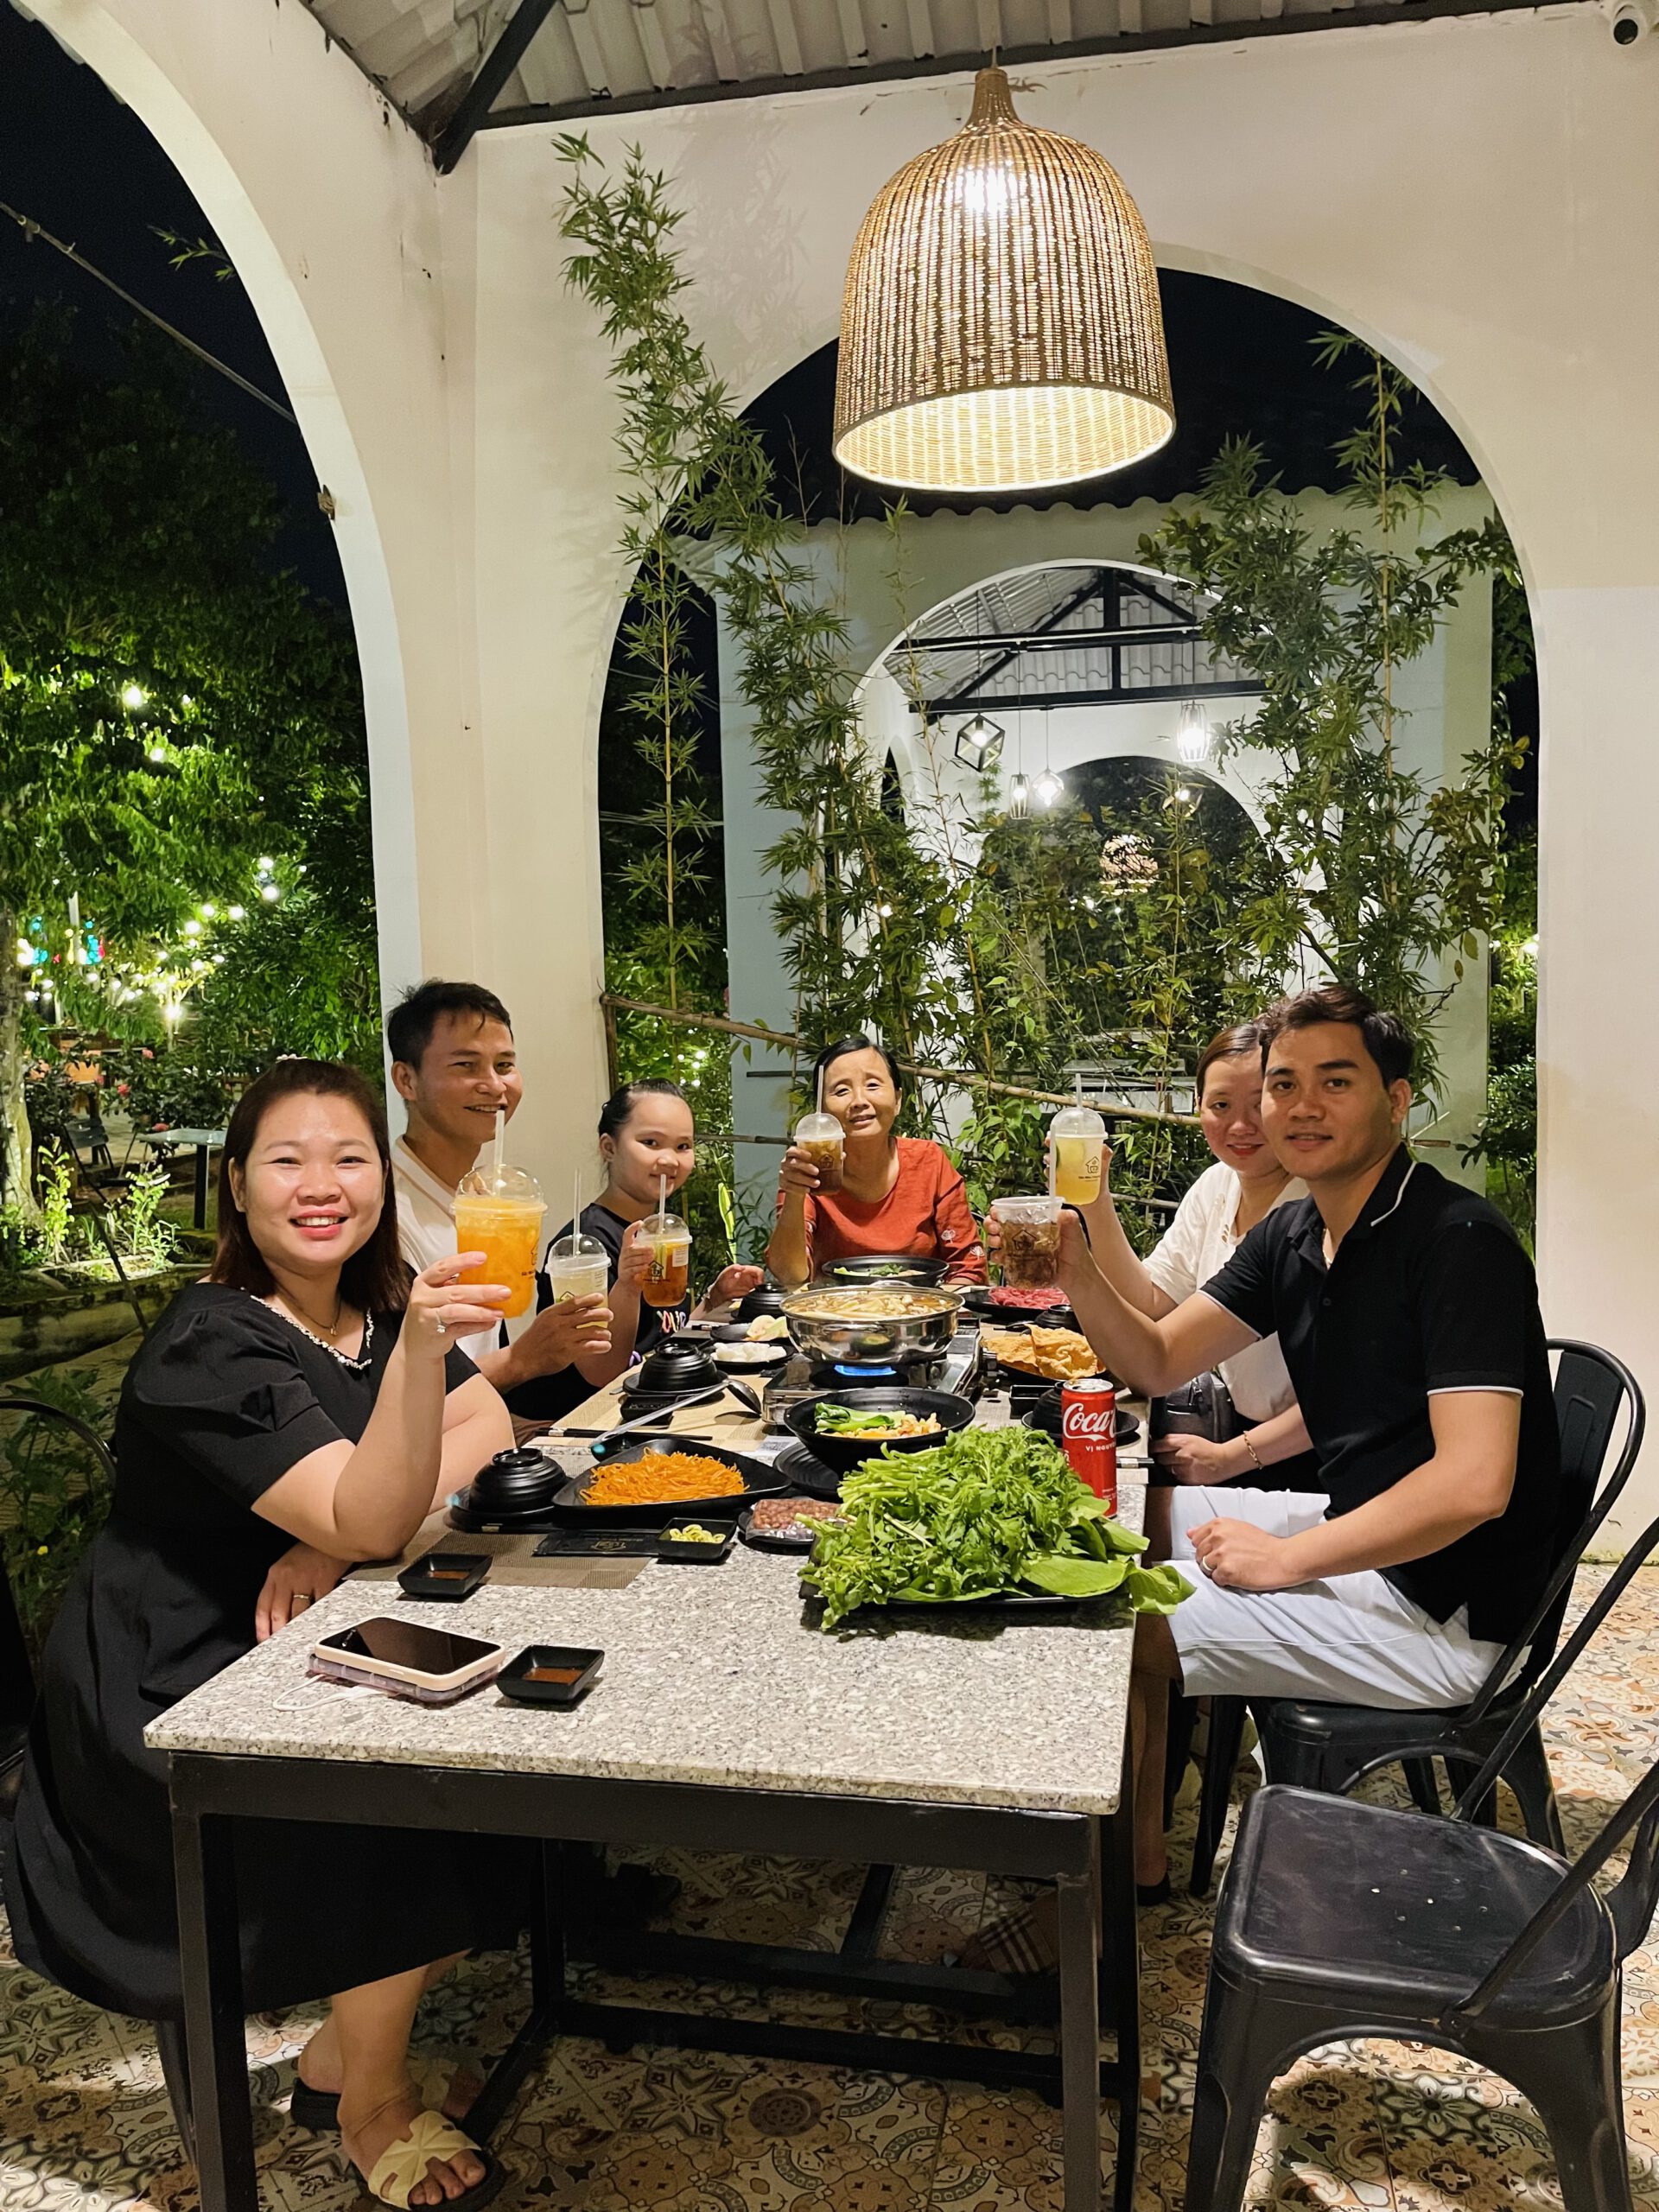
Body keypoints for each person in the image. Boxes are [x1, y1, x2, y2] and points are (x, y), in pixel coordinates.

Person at [4, 1060, 527, 2212]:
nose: (321, 1184)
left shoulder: (372, 1310)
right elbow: (376, 1505)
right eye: (286, 1160)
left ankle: (342, 2052)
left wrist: (333, 1537)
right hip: (175, 1680)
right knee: (388, 1802)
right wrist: (352, 1519)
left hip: (310, 1628)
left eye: (349, 1158)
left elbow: (485, 1419)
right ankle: (371, 2100)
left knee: (503, 1776)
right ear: (236, 1186)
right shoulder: (212, 1338)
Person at [1061, 984, 1563, 1900]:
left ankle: (1101, 1891)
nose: (1300, 1106)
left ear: (1396, 1100)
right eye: (1283, 1084)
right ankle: (1136, 1851)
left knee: (1106, 1618)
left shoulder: (1458, 1242)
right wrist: (1073, 1265)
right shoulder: (1297, 1230)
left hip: (1450, 1612)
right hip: (1373, 1538)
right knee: (1126, 1522)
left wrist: (1288, 1559)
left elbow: (1474, 1483)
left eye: (1336, 1081)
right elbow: (1159, 1358)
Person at [1074, 1020, 1319, 1491]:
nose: (1240, 1126)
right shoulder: (1216, 1185)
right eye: (1221, 1105)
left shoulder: (1315, 1210)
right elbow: (1151, 1301)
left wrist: (1231, 1458)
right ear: (1199, 1105)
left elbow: (1349, 1388)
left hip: (1313, 1456)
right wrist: (1094, 1198)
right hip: (1242, 1433)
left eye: (1258, 1104)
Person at [388, 979, 611, 1392]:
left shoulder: (482, 1196)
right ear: (406, 1080)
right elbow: (392, 1393)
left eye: (505, 1065)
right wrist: (522, 1360)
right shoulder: (386, 1217)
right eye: (466, 1065)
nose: (494, 1085)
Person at [505, 1079, 764, 1425]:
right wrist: (627, 1285)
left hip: (637, 1409)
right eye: (650, 1142)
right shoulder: (585, 1246)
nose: (669, 1159)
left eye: (683, 1146)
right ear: (609, 1147)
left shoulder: (662, 1234)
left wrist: (713, 1300)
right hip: (566, 1422)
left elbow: (663, 1338)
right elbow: (601, 1372)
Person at [766, 1036, 987, 1288]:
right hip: (838, 1310)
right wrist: (795, 1194)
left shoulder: (928, 1161)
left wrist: (931, 1306)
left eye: (872, 1085)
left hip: (924, 1309)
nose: (859, 1101)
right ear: (823, 1111)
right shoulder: (809, 1169)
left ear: (898, 1100)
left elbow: (969, 1267)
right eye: (841, 1091)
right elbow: (789, 1275)